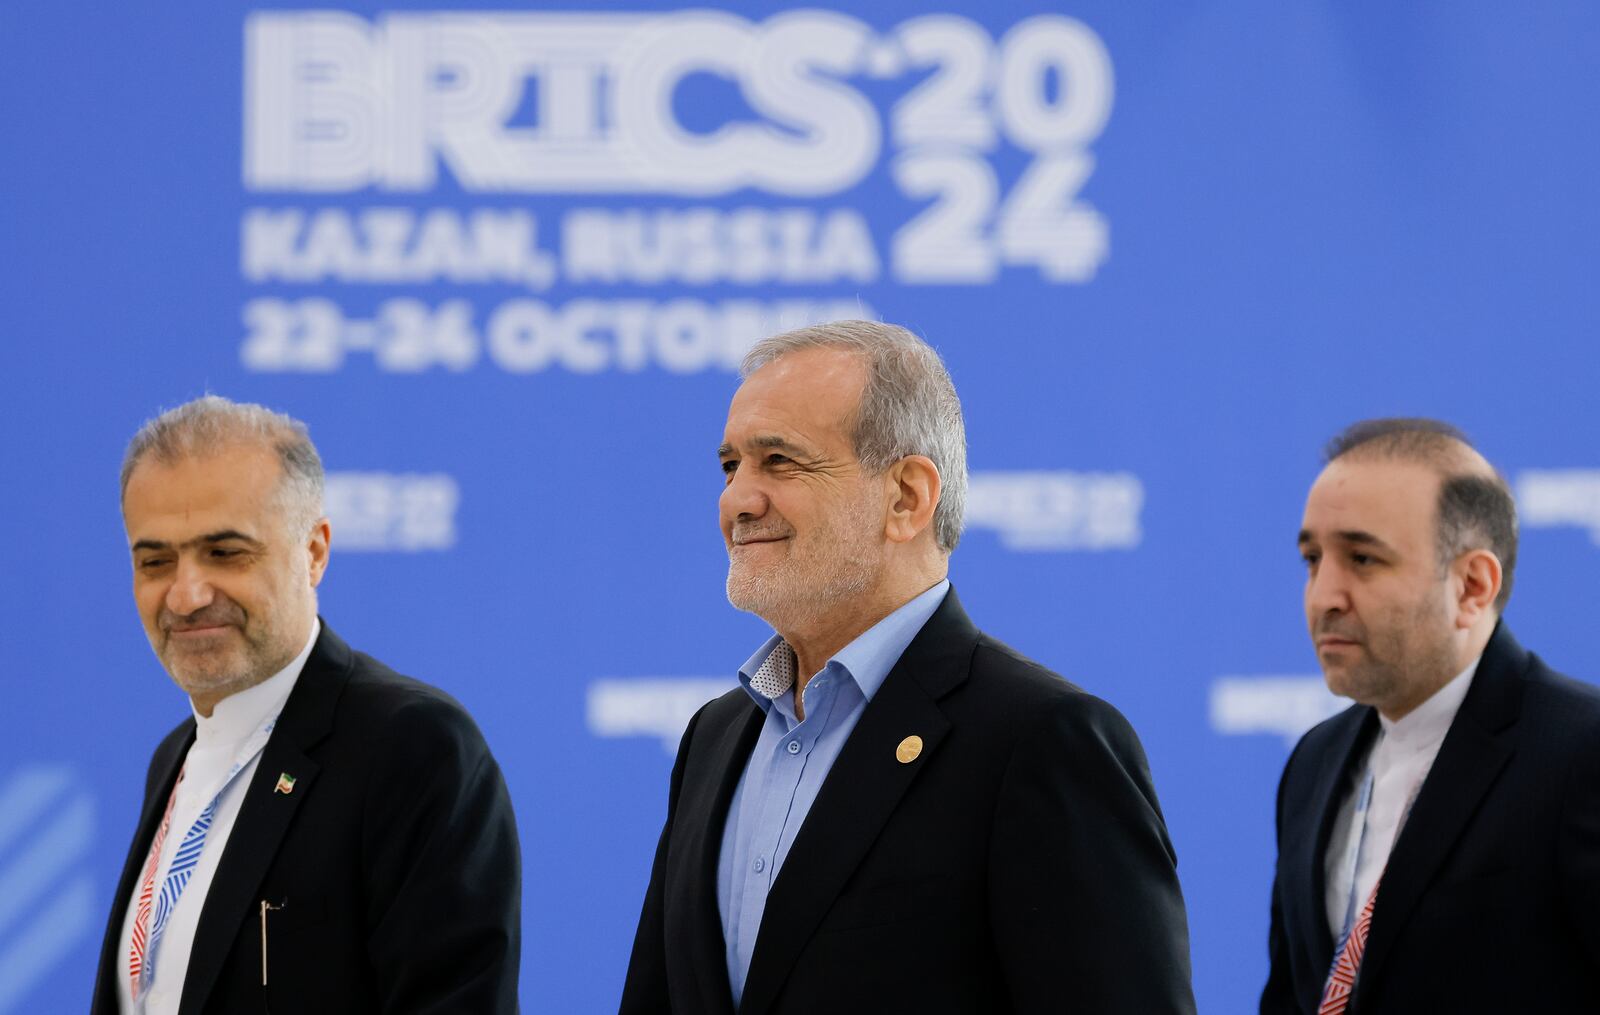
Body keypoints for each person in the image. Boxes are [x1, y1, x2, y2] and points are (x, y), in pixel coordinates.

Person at [620, 321, 1195, 1014]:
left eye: (779, 461)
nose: (737, 499)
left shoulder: (1042, 740)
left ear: (907, 498)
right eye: (730, 465)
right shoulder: (713, 738)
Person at [91, 396, 521, 1014]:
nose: (184, 595)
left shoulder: (413, 746)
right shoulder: (174, 759)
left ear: (314, 550)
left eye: (225, 552)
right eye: (155, 560)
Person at [1262, 418, 1600, 1013]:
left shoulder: (1581, 752)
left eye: (1363, 559)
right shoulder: (1314, 761)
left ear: (1472, 586)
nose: (1324, 596)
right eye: (1313, 558)